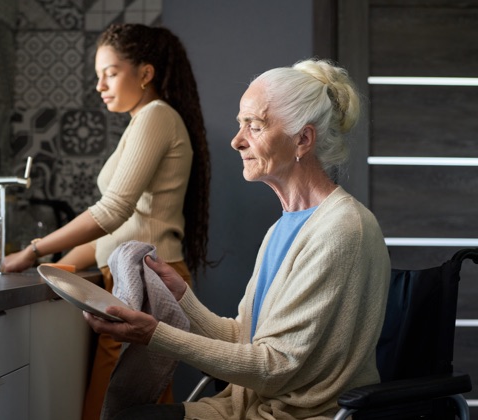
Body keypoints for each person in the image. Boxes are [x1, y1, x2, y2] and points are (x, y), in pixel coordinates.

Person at [84, 58, 392, 420]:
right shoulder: (283, 228)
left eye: (255, 126)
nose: (237, 140)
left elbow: (276, 365)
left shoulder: (343, 229)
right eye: (239, 124)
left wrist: (156, 334)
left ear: (303, 139)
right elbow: (245, 339)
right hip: (246, 407)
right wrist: (182, 299)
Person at [1, 23, 211, 420]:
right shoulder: (143, 121)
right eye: (98, 75)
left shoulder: (156, 117)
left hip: (148, 281)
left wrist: (31, 253)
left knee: (114, 407)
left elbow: (112, 211)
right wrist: (58, 265)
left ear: (145, 73)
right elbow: (116, 230)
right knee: (137, 407)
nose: (100, 86)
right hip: (135, 279)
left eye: (110, 73)